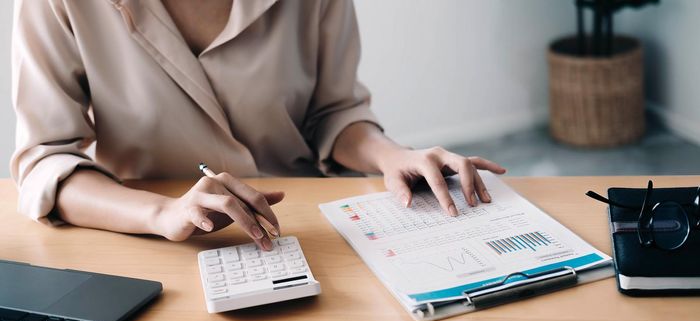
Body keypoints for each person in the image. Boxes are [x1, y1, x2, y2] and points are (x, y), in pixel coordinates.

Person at [10, 0, 505, 251]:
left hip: (303, 229)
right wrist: (163, 215)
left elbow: (334, 112)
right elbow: (46, 162)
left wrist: (395, 156)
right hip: (147, 240)